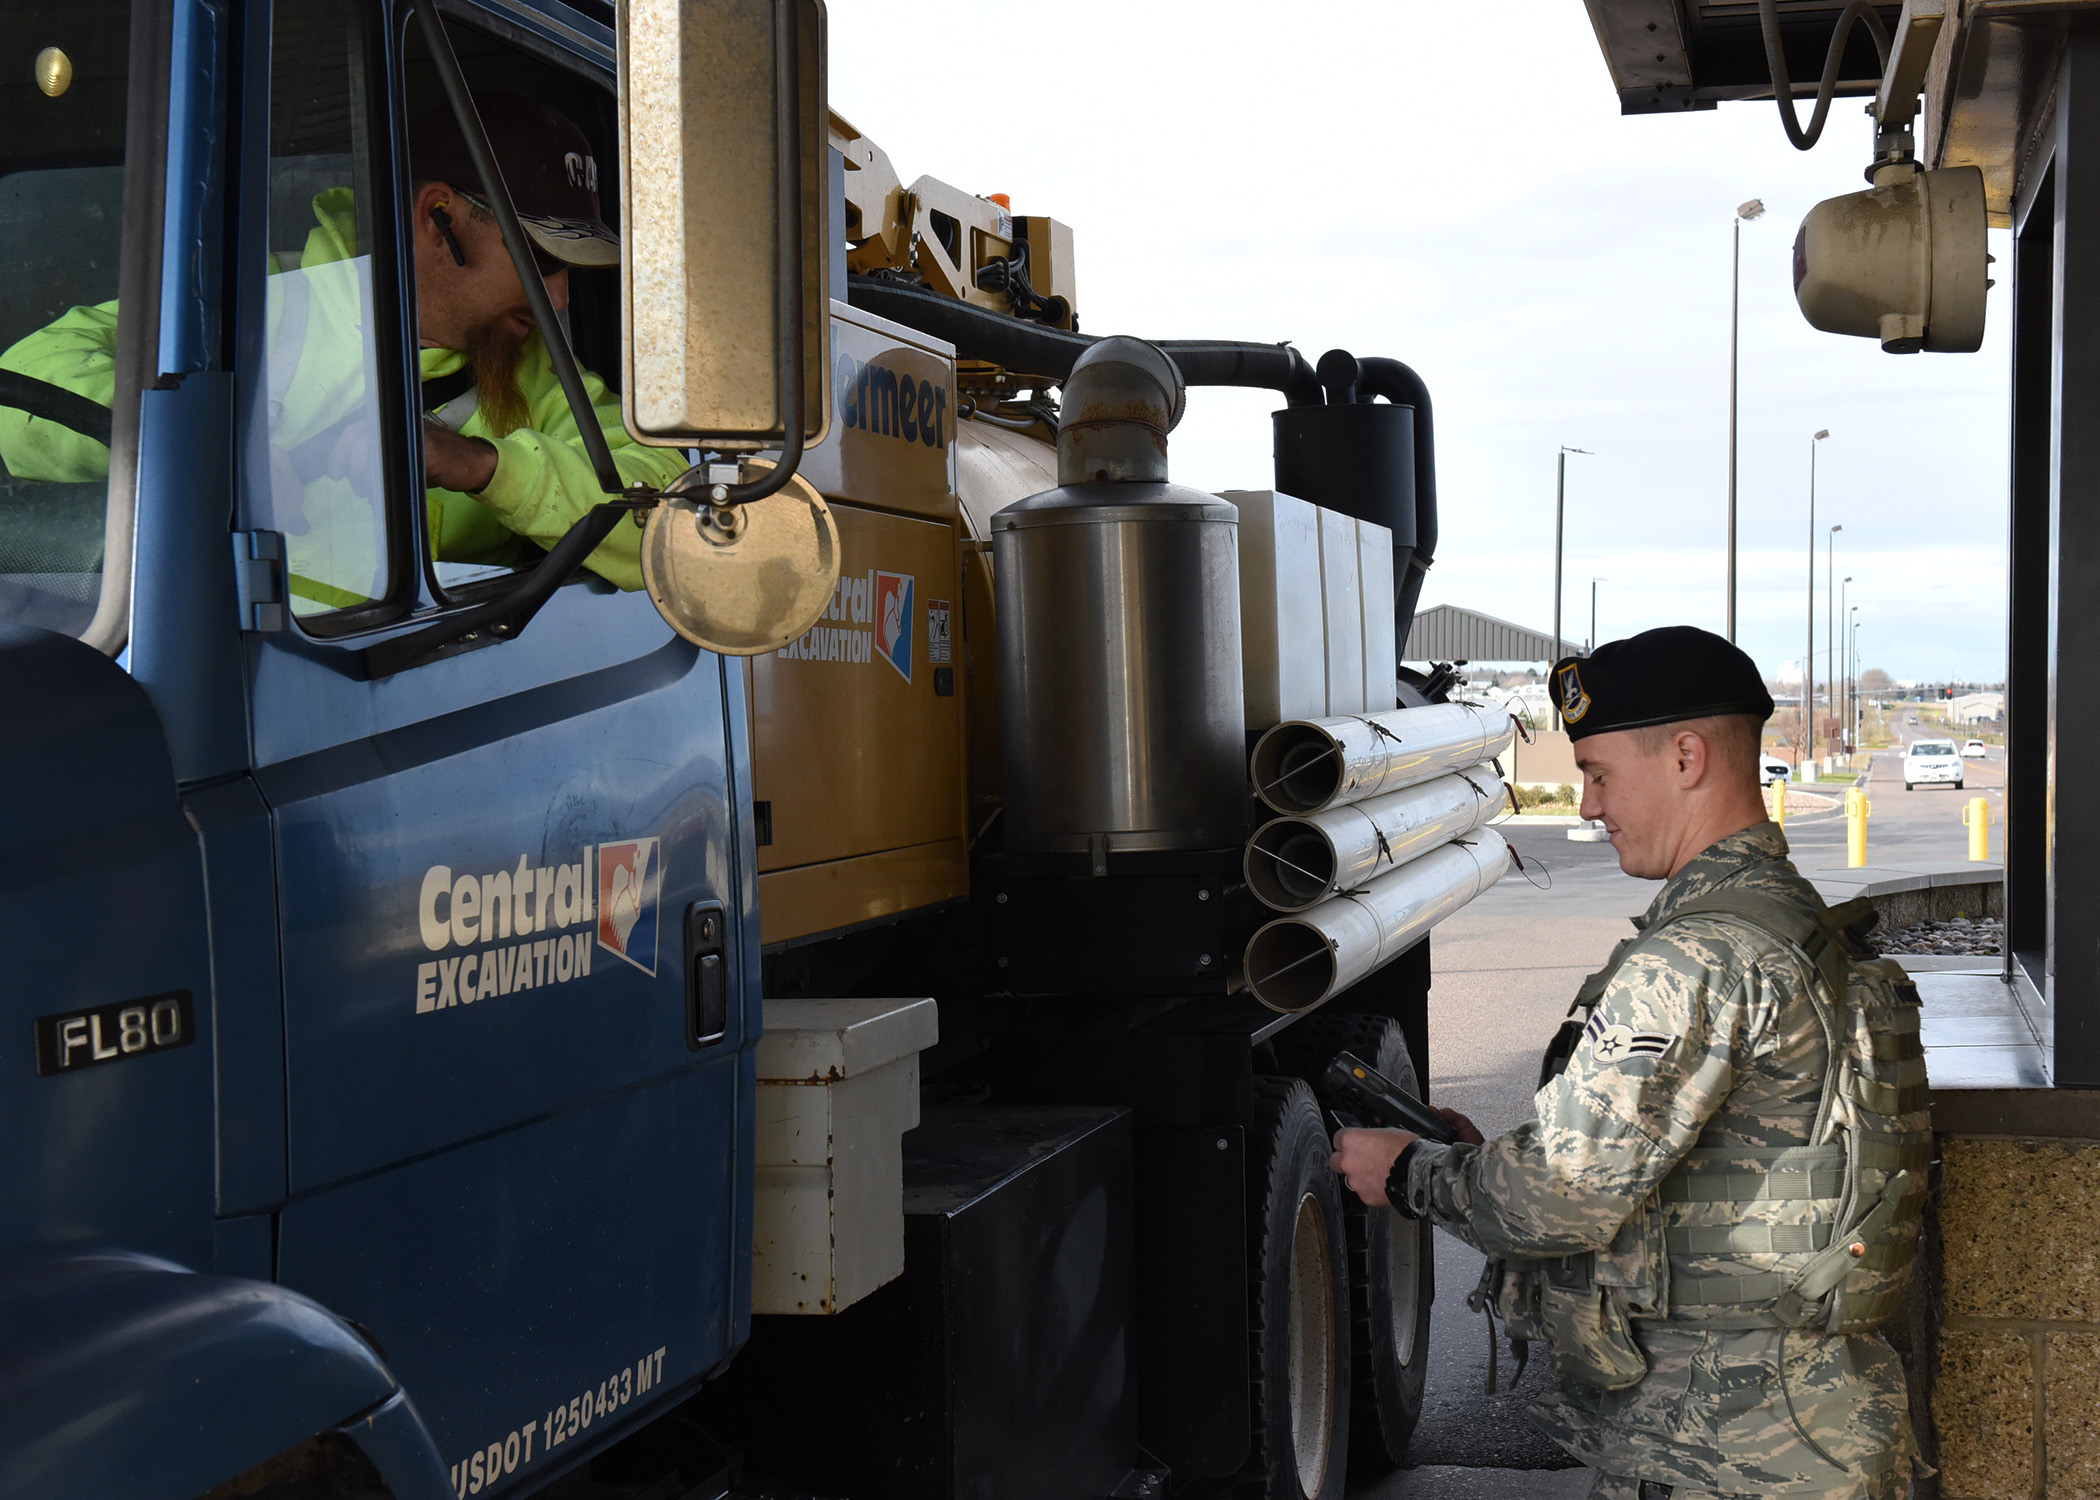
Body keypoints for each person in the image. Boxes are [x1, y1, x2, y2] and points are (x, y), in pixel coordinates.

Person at [1330, 626, 1926, 1500]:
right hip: (1802, 1429)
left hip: (1728, 1451)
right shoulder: (1790, 925)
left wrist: (1412, 1172)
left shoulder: (1700, 959)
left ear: (1686, 757)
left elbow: (1557, 1199)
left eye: (1599, 774)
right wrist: (1485, 1155)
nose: (1587, 807)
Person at [0, 91, 685, 599]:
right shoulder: (246, 302)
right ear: (437, 217)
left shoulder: (532, 378)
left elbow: (670, 527)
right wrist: (215, 444)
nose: (561, 297)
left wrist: (483, 466)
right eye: (542, 259)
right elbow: (22, 387)